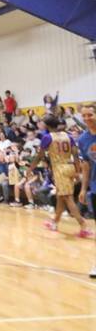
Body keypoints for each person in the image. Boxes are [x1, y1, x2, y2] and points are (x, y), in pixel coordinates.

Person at [29, 116, 91, 238]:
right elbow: (75, 154)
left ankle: (83, 226)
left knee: (67, 198)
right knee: (60, 196)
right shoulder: (67, 135)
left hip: (60, 169)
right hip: (70, 166)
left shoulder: (47, 137)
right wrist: (77, 171)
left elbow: (40, 156)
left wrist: (30, 168)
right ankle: (54, 223)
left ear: (47, 125)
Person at [75, 104, 96, 277]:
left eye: (90, 114)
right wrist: (83, 188)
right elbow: (86, 165)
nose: (87, 118)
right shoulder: (83, 140)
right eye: (84, 116)